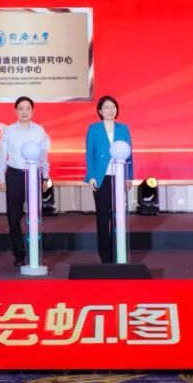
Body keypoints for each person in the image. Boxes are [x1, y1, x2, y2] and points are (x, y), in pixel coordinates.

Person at [0, 96, 51, 266]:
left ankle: (34, 252)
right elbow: (2, 156)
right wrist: (1, 178)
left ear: (32, 111)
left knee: (34, 215)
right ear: (16, 111)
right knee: (13, 217)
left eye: (28, 108)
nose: (24, 112)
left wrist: (45, 177)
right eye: (21, 109)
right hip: (14, 175)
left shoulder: (39, 130)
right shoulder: (9, 131)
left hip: (34, 174)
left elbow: (44, 156)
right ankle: (19, 255)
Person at [85, 95, 133, 264]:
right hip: (101, 178)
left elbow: (129, 155)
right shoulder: (94, 129)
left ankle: (118, 255)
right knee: (103, 218)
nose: (110, 110)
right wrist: (91, 176)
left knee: (118, 218)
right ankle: (105, 258)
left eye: (113, 107)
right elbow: (89, 154)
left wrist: (129, 177)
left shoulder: (124, 129)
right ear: (100, 111)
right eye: (106, 107)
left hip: (119, 177)